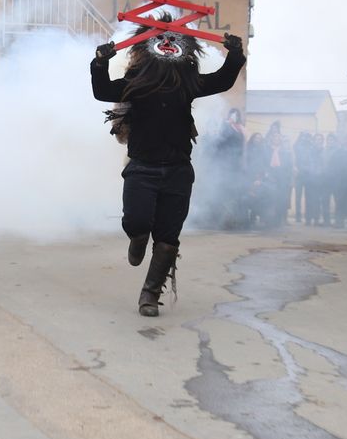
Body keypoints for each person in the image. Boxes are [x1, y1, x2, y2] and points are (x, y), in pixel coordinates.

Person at [91, 19, 245, 317]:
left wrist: (235, 54)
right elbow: (102, 91)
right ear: (147, 49)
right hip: (142, 169)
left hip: (178, 171)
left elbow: (224, 79)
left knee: (168, 237)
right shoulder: (136, 83)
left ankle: (149, 294)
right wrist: (100, 62)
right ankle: (137, 238)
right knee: (137, 221)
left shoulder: (187, 82)